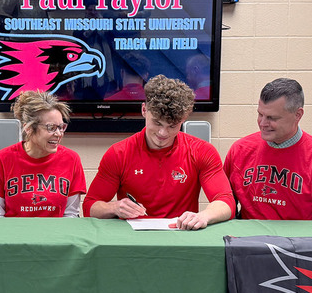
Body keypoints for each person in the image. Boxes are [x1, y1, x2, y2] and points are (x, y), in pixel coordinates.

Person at [83, 74, 235, 230]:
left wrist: (204, 216)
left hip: (181, 236)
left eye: (172, 126)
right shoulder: (118, 153)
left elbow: (226, 201)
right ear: (144, 110)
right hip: (132, 239)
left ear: (183, 120)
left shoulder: (202, 151)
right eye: (157, 122)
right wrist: (114, 208)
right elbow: (90, 206)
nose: (163, 133)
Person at [224, 77, 312, 221]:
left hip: (300, 242)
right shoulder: (239, 150)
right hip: (248, 241)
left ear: (298, 115)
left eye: (272, 118)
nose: (263, 123)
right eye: (260, 114)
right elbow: (225, 205)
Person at [0, 91, 86, 217]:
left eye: (61, 127)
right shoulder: (1, 160)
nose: (59, 134)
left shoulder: (71, 159)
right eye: (51, 128)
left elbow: (71, 215)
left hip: (57, 235)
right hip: (14, 235)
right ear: (28, 128)